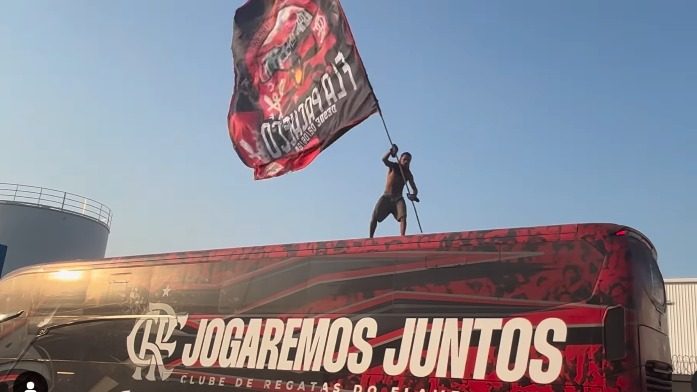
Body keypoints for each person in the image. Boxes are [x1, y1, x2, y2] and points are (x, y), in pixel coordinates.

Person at [370, 144, 418, 238]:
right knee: (374, 216)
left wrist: (413, 195)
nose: (406, 162)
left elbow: (414, 188)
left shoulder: (408, 174)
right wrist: (391, 151)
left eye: (408, 160)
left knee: (403, 217)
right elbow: (384, 160)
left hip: (398, 198)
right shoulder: (394, 166)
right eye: (404, 159)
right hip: (386, 196)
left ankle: (402, 237)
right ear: (400, 159)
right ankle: (370, 237)